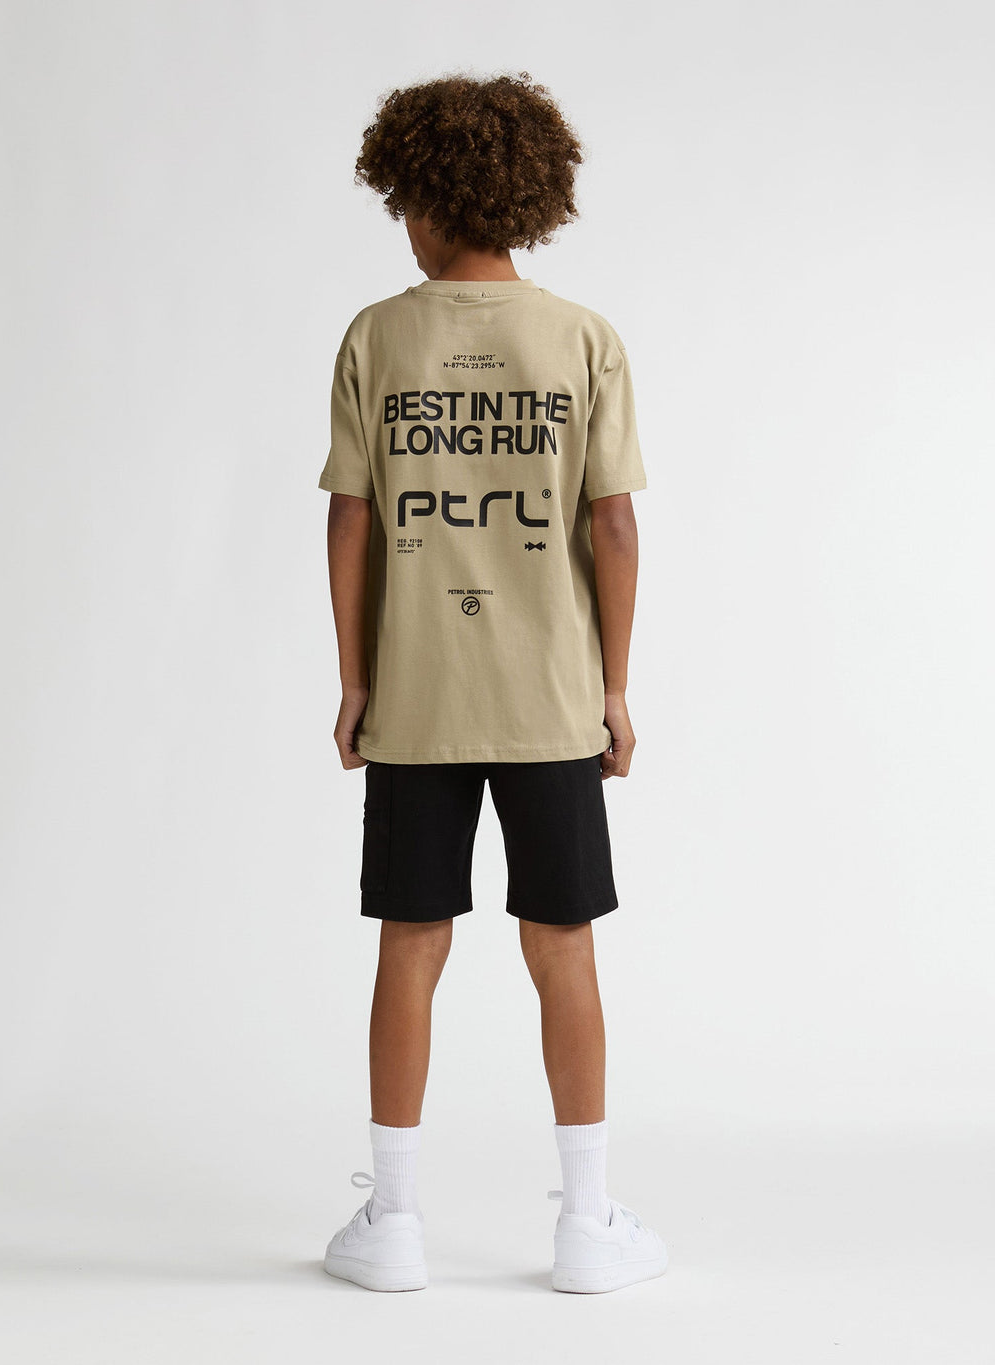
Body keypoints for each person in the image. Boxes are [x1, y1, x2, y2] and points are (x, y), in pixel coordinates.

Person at [319, 71, 668, 1294]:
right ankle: (586, 1224)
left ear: (421, 197)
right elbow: (612, 525)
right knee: (561, 944)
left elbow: (351, 521)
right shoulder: (582, 338)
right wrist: (613, 691)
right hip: (549, 698)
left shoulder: (378, 336)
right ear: (527, 197)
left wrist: (354, 680)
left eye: (403, 205)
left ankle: (394, 1223)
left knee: (409, 942)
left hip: (416, 698)